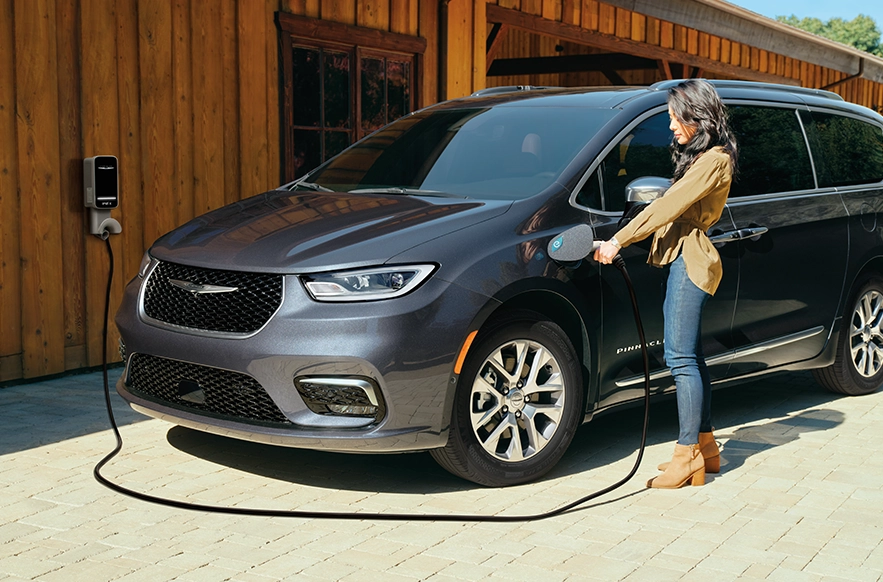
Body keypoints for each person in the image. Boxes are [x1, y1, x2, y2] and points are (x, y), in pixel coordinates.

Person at [593, 79, 738, 489]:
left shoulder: (714, 159)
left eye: (675, 117)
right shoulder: (705, 158)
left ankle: (686, 454)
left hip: (690, 262)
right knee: (691, 354)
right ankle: (707, 447)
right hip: (680, 258)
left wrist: (619, 239)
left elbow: (669, 205)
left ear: (697, 115)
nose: (672, 125)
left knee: (679, 358)